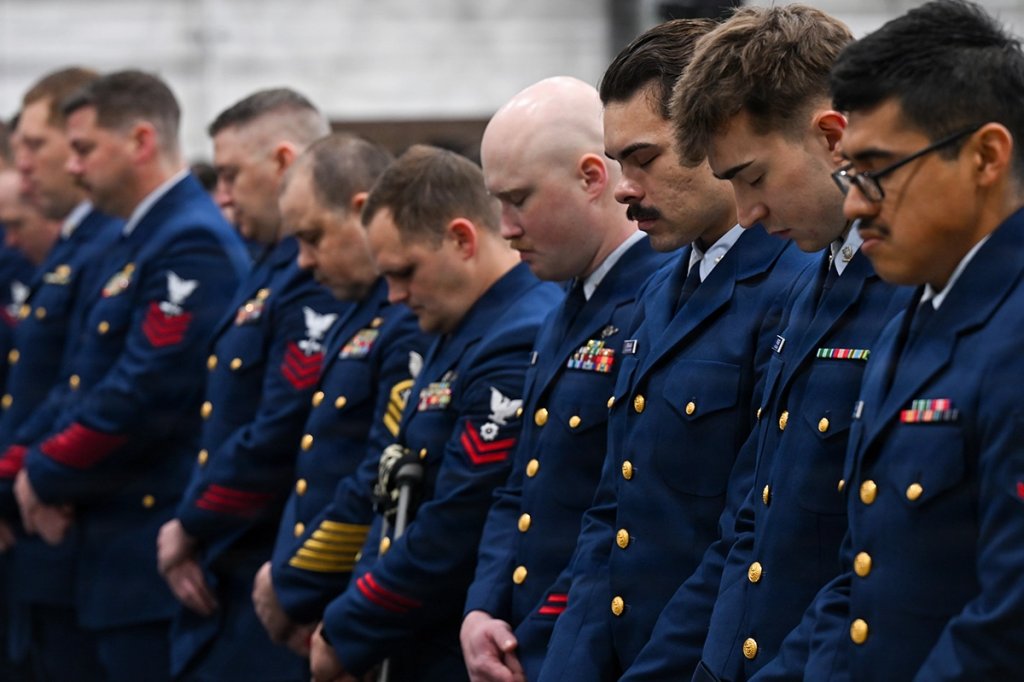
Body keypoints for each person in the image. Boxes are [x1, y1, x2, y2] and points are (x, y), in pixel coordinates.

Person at [617, 7, 914, 680]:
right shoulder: (810, 287)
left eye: (753, 178)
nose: (747, 213)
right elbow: (748, 527)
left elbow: (881, 567)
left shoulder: (906, 288)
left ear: (832, 138)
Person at [753, 1, 1024, 679]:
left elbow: (1006, 623)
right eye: (850, 174)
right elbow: (860, 577)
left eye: (878, 171)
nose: (855, 204)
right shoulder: (916, 307)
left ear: (986, 157)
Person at [535, 19, 811, 681]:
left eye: (644, 159)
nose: (624, 188)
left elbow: (745, 535)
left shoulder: (791, 286)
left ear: (713, 134)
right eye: (618, 163)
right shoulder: (658, 290)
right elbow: (611, 512)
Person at [12, 69, 249, 681]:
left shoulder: (188, 240)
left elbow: (148, 390)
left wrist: (41, 471)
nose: (75, 167)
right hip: (108, 544)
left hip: (149, 544)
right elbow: (79, 382)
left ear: (140, 141)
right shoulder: (136, 237)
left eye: (85, 149)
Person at [308, 145, 562, 682]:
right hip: (413, 636)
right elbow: (393, 490)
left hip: (457, 642)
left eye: (404, 272)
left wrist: (348, 628)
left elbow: (457, 522)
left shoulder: (517, 334)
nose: (394, 296)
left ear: (462, 240)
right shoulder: (459, 326)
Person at [459, 76, 669, 682]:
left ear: (591, 178)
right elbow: (519, 487)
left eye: (519, 199)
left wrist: (537, 641)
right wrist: (483, 608)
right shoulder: (565, 308)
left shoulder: (654, 306)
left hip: (585, 646)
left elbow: (623, 516)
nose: (505, 227)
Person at [154, 88, 345, 682]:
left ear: (284, 162)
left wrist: (192, 522)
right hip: (233, 557)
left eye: (232, 174)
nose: (222, 194)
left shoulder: (317, 275)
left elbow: (280, 429)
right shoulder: (271, 266)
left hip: (270, 562)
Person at [252, 133, 429, 655]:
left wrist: (294, 582)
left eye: (312, 237)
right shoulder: (362, 311)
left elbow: (380, 474)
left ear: (361, 210)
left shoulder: (408, 317)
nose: (303, 261)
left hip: (356, 595)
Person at [0, 67, 124, 682]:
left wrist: (17, 478)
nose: (23, 163)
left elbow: (97, 388)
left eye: (36, 145)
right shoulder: (76, 248)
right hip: (37, 520)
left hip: (72, 525)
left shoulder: (108, 246)